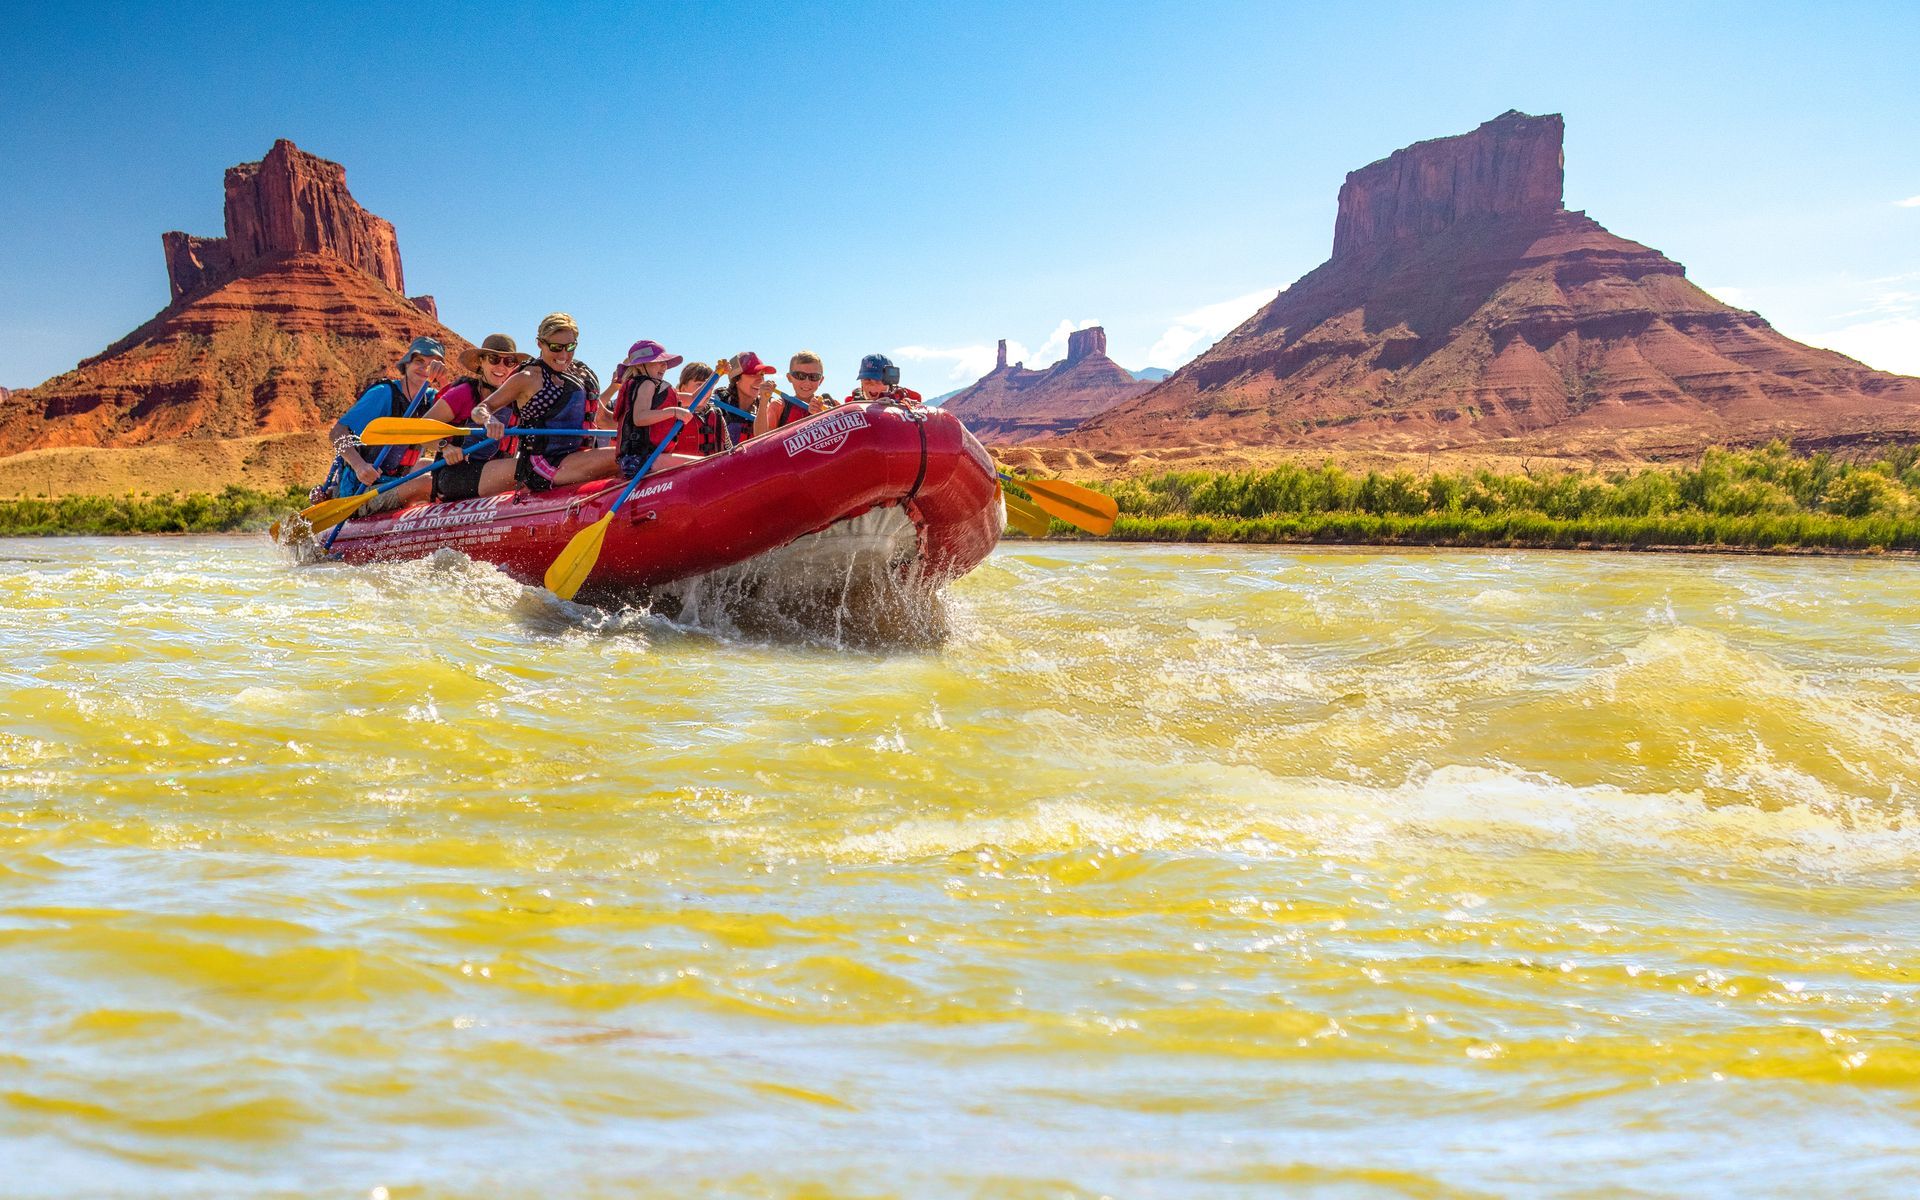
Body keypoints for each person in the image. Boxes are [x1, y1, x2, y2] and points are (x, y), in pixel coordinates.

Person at [473, 313, 619, 498]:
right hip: (544, 465)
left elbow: (603, 418)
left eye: (570, 347)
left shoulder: (578, 375)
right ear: (540, 344)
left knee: (639, 453)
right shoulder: (528, 378)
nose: (564, 355)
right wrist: (489, 420)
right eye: (556, 347)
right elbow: (480, 409)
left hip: (578, 457)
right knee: (624, 457)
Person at [327, 336, 447, 512]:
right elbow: (337, 432)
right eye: (419, 361)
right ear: (406, 364)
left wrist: (443, 382)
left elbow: (458, 415)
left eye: (432, 364)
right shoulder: (383, 394)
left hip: (395, 481)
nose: (425, 368)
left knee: (437, 466)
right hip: (363, 492)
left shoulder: (431, 398)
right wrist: (359, 465)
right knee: (429, 483)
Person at [604, 340, 709, 478]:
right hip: (640, 460)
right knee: (705, 465)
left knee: (703, 463)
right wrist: (673, 411)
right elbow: (639, 418)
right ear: (641, 365)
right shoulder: (647, 384)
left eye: (665, 362)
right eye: (658, 361)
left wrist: (716, 376)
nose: (664, 366)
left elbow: (695, 398)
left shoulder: (657, 388)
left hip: (645, 459)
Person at [754, 350, 833, 437]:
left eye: (813, 376)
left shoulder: (831, 405)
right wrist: (763, 402)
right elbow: (760, 437)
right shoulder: (780, 406)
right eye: (800, 375)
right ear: (789, 377)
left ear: (821, 380)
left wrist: (825, 417)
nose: (807, 382)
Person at [714, 351, 776, 445]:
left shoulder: (769, 403)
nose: (760, 379)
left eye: (762, 374)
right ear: (736, 379)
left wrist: (763, 402)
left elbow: (762, 440)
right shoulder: (718, 401)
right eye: (753, 374)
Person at [851, 353, 923, 406]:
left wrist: (900, 406)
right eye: (867, 380)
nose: (872, 385)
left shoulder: (903, 398)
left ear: (889, 382)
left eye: (878, 380)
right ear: (861, 382)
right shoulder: (852, 404)